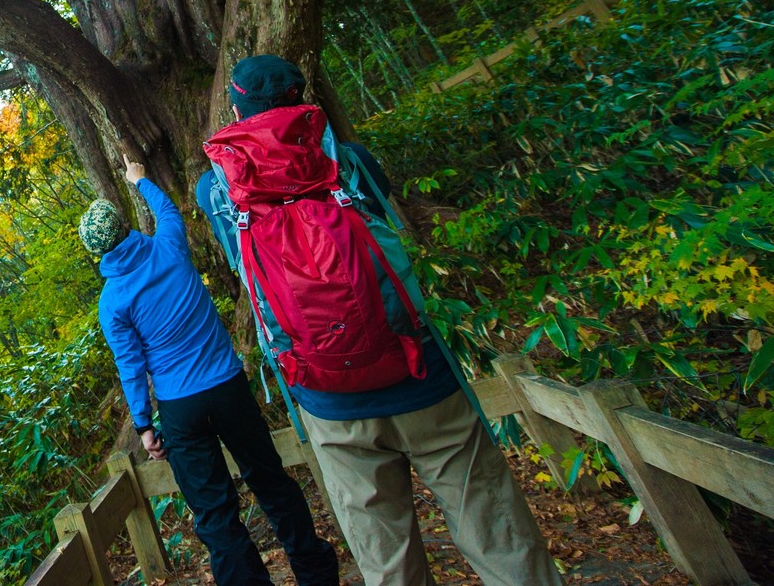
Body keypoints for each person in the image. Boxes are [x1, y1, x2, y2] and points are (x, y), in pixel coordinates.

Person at [196, 54, 563, 586]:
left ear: (236, 106)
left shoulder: (217, 193)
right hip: (420, 376)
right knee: (496, 530)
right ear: (304, 102)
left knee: (386, 561)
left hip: (327, 397)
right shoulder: (353, 161)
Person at [82, 153, 339, 586]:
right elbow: (166, 210)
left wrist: (144, 425)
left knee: (216, 515)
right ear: (125, 228)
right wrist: (138, 179)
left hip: (180, 408)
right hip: (227, 387)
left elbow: (131, 367)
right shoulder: (169, 244)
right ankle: (317, 575)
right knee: (271, 482)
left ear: (96, 253)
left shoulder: (112, 303)